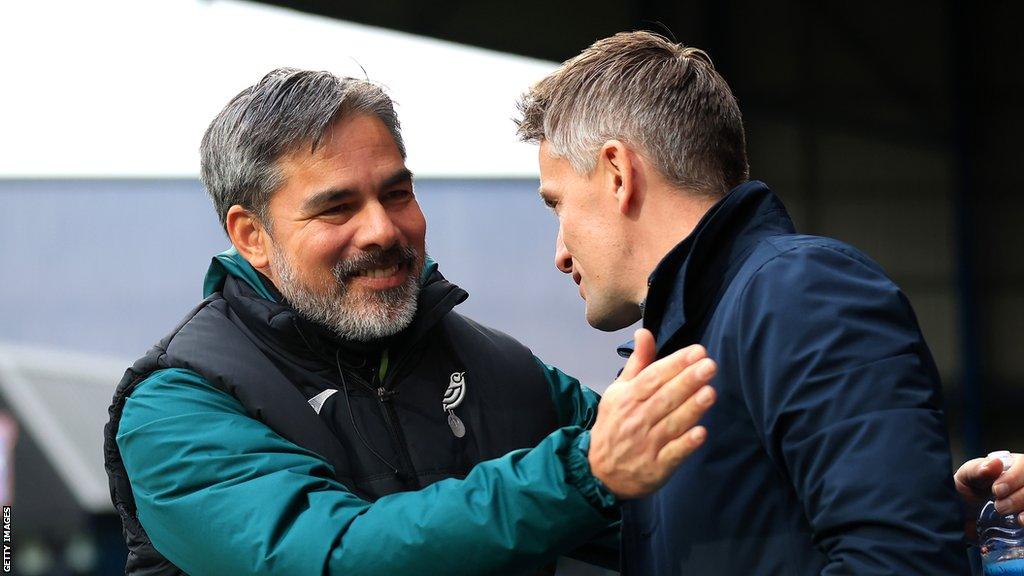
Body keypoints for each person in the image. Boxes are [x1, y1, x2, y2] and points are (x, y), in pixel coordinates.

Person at [102, 68, 719, 575]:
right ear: (251, 235)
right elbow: (329, 557)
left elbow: (683, 500)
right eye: (337, 208)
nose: (382, 229)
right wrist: (581, 474)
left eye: (396, 194)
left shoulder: (502, 370)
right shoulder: (178, 404)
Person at [517, 31, 972, 574]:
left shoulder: (801, 293)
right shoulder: (700, 335)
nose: (561, 255)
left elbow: (902, 563)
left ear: (618, 173)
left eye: (557, 205)